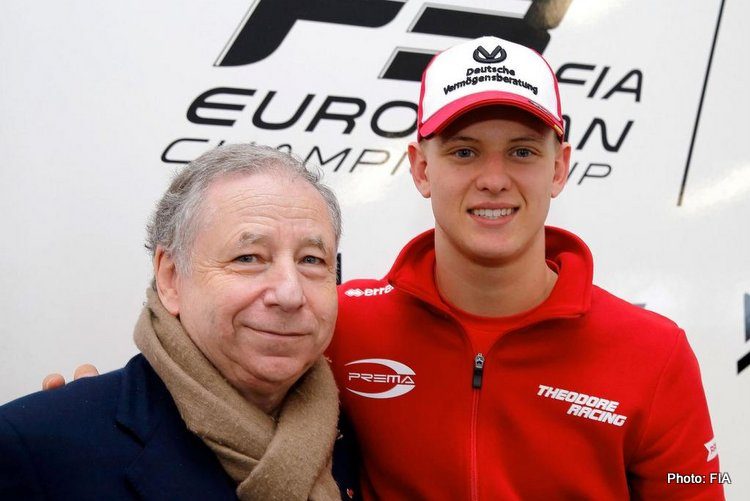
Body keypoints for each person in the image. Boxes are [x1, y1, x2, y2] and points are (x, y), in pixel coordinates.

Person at [326, 36, 723, 499]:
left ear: (559, 168)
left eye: (522, 152)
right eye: (464, 152)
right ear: (421, 169)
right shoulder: (340, 324)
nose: (494, 180)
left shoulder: (654, 354)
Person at [0, 144, 354, 500]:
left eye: (311, 260)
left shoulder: (358, 437)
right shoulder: (37, 452)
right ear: (170, 278)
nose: (290, 294)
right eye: (248, 257)